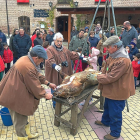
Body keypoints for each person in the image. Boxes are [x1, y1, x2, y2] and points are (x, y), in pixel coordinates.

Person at [0, 45, 56, 140]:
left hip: (17, 91)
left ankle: (27, 134)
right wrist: (45, 94)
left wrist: (48, 83)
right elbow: (34, 86)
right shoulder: (28, 67)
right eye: (41, 60)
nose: (42, 62)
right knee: (19, 120)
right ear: (36, 57)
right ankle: (22, 137)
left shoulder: (26, 59)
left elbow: (36, 74)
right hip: (15, 95)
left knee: (23, 115)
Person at [89, 36, 135, 140]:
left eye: (108, 47)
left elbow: (111, 77)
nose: (107, 49)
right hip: (111, 89)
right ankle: (105, 121)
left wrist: (96, 77)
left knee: (115, 113)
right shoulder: (113, 55)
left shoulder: (123, 60)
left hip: (118, 91)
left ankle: (115, 133)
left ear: (115, 46)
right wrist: (100, 73)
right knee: (107, 107)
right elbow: (106, 68)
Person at [45, 32, 88, 108]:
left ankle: (62, 101)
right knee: (55, 87)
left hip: (64, 72)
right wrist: (54, 65)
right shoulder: (50, 49)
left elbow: (71, 54)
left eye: (61, 41)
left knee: (63, 86)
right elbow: (49, 59)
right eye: (57, 41)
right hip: (55, 73)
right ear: (54, 40)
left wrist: (81, 57)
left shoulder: (64, 48)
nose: (59, 43)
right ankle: (56, 105)